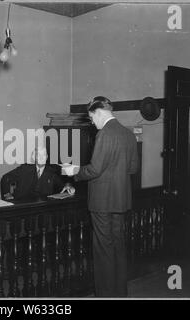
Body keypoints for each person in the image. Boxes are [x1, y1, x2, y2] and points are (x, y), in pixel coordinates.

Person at [62, 96, 138, 297]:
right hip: (121, 200)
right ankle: (120, 293)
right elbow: (133, 167)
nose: (92, 123)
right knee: (118, 248)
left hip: (102, 202)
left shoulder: (104, 134)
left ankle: (105, 295)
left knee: (103, 251)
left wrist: (73, 171)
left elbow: (95, 169)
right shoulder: (128, 134)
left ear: (99, 113)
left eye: (91, 118)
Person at [1, 147, 75, 200]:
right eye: (38, 155)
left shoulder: (51, 172)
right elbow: (6, 178)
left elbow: (62, 186)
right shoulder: (25, 169)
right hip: (22, 205)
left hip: (42, 207)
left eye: (44, 155)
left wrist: (68, 186)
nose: (41, 158)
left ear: (47, 157)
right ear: (34, 157)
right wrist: (7, 194)